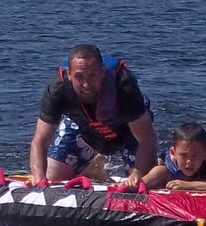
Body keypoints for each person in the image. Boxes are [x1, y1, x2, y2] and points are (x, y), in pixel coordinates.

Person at [28, 44, 157, 186]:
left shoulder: (123, 85)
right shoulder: (57, 89)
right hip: (83, 126)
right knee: (53, 175)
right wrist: (39, 178)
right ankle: (91, 169)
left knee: (142, 181)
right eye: (79, 77)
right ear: (69, 74)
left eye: (92, 75)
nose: (86, 84)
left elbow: (146, 138)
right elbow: (40, 140)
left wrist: (138, 173)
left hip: (127, 129)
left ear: (102, 72)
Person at [142, 122, 206, 191]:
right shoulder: (165, 168)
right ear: (173, 153)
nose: (189, 162)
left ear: (205, 153)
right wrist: (133, 180)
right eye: (183, 155)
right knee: (158, 166)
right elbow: (142, 184)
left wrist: (192, 185)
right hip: (168, 160)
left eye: (196, 156)